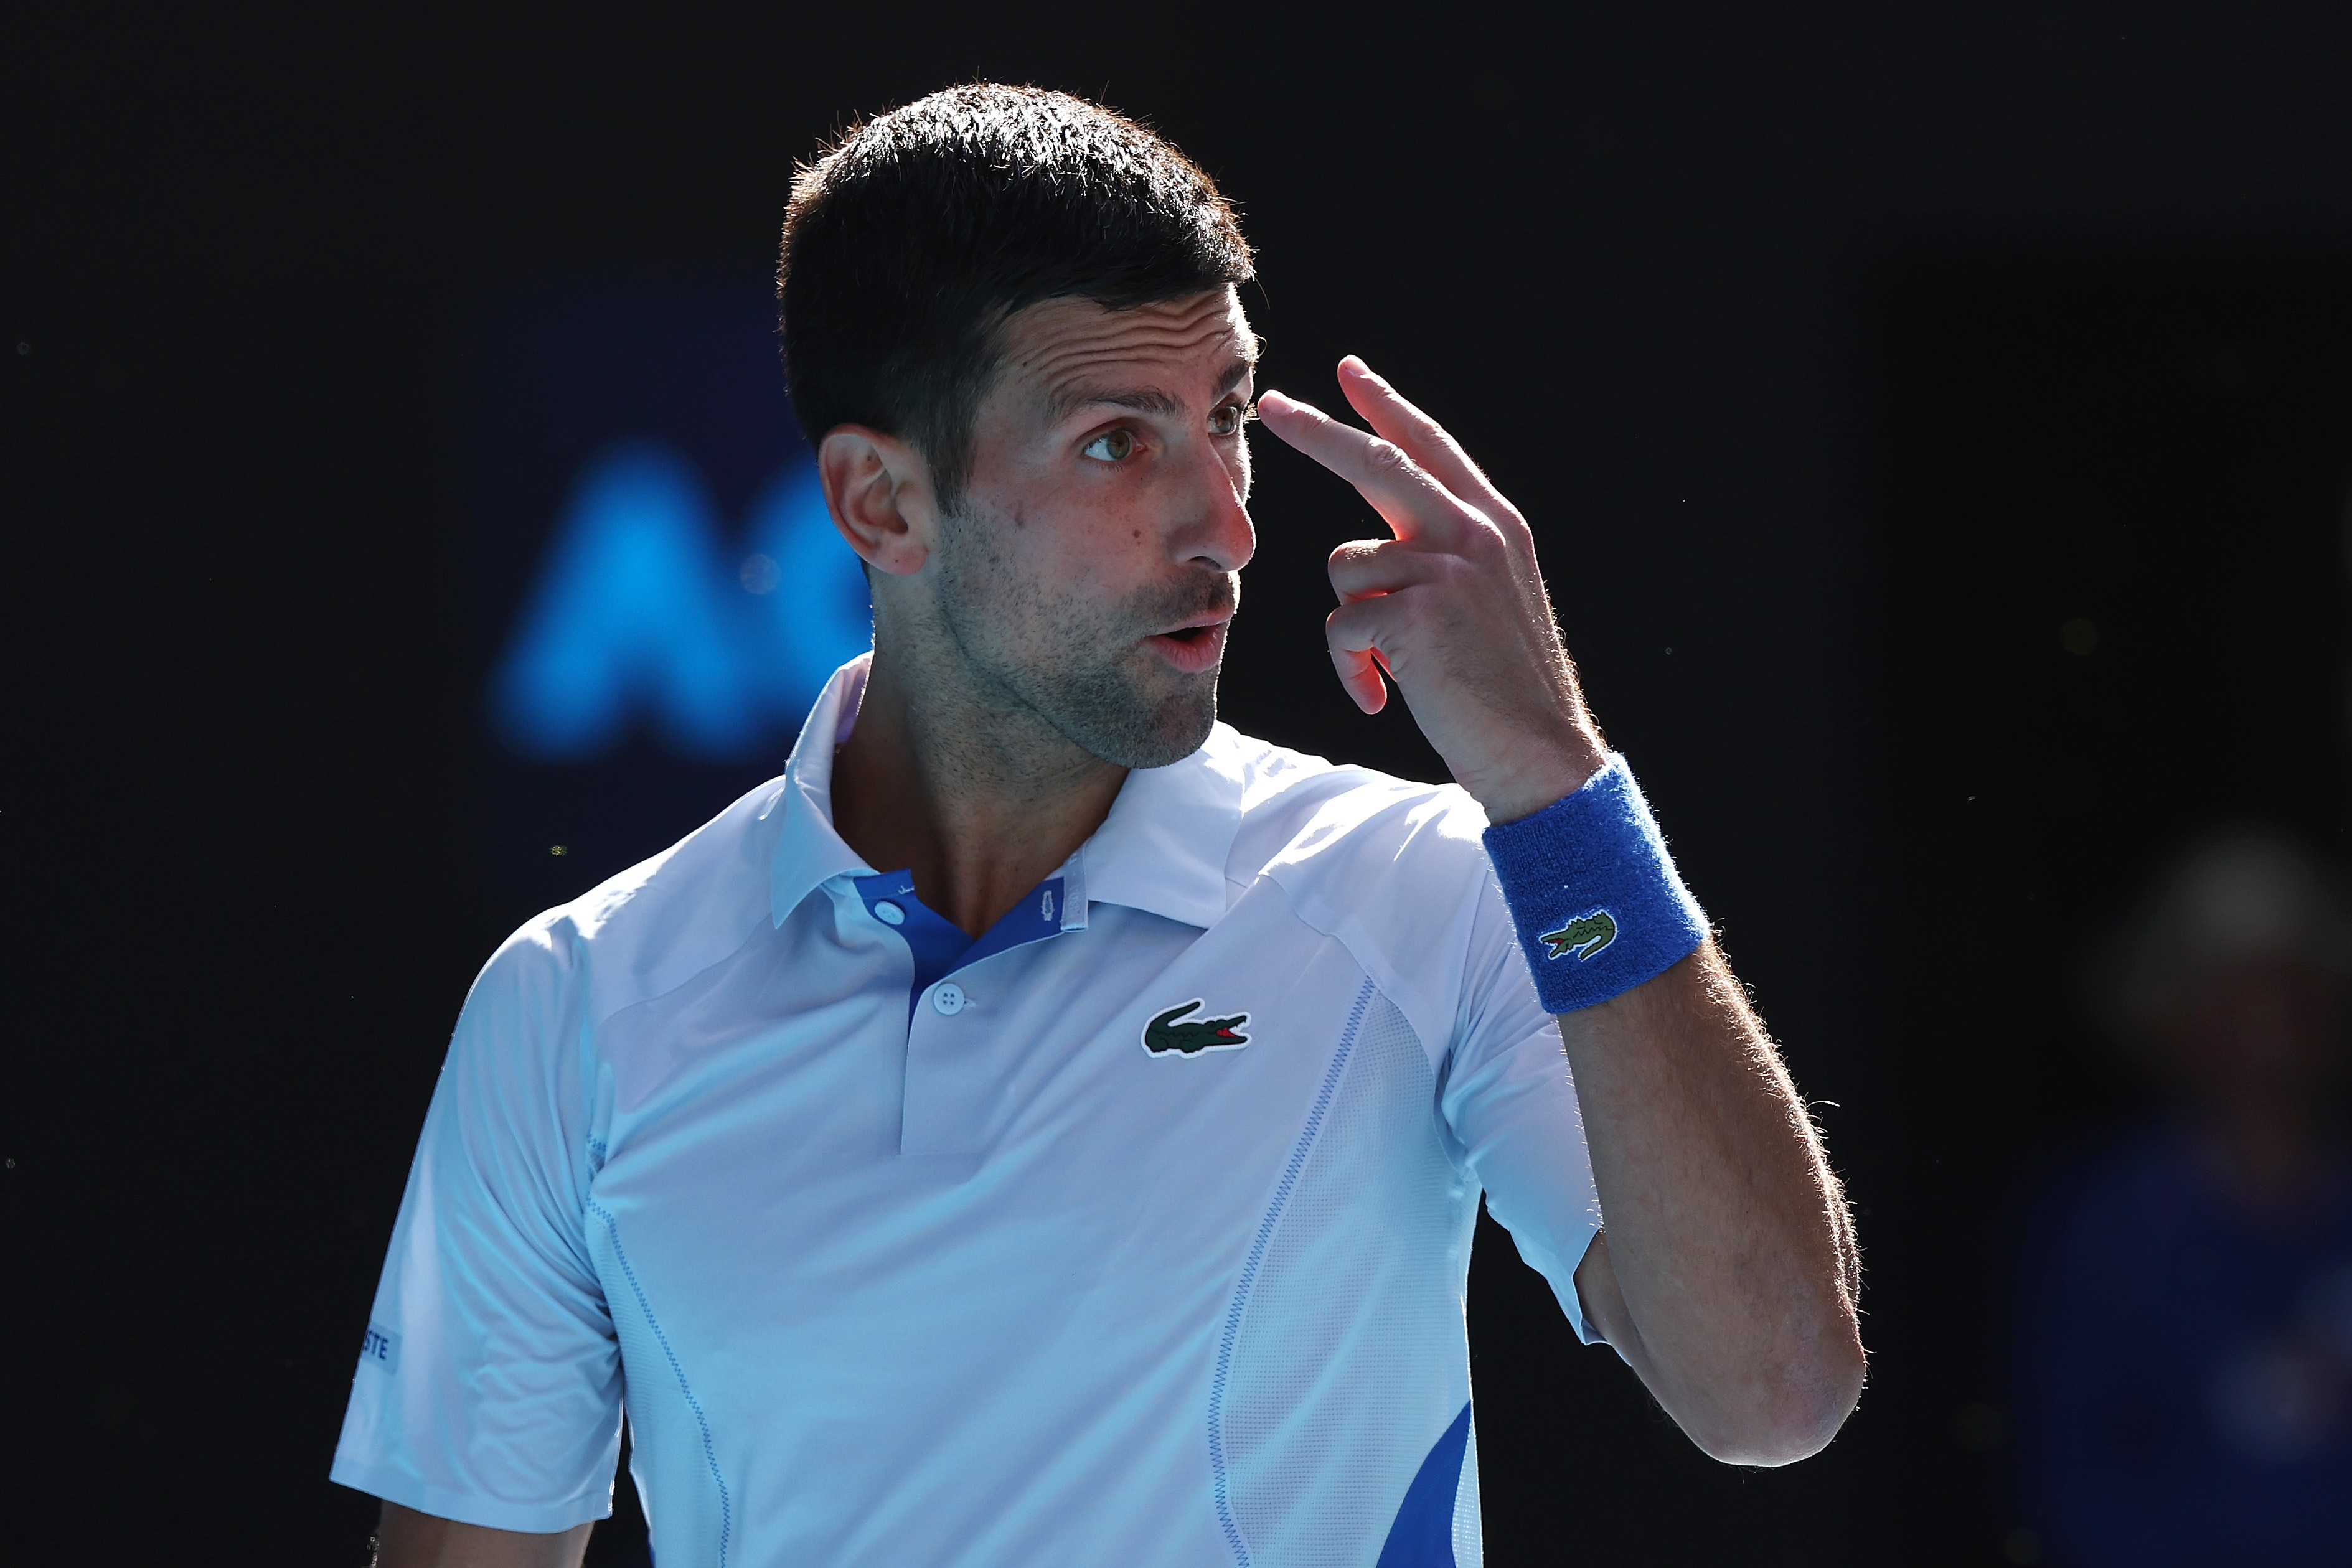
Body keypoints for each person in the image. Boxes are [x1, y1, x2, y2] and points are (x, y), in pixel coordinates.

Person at [333, 85, 1864, 1567]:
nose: (1227, 526)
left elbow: (1772, 1392)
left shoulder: (1433, 888)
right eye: (1117, 443)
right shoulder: (571, 1003)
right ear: (881, 506)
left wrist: (1551, 781)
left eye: (1222, 421)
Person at [2015, 829, 2352, 1564]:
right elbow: (2072, 1482)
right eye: (2233, 985)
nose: (2268, 1018)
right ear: (2171, 1014)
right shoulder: (2104, 1229)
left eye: (2289, 980)